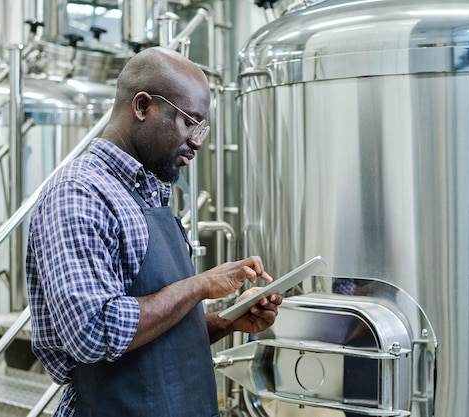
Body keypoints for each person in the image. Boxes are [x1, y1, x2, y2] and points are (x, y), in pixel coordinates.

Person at [25, 46, 282, 417]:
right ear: (143, 106)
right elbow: (94, 333)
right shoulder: (79, 192)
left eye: (201, 127)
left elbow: (150, 344)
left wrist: (225, 322)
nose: (197, 141)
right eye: (189, 122)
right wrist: (200, 286)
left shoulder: (149, 193)